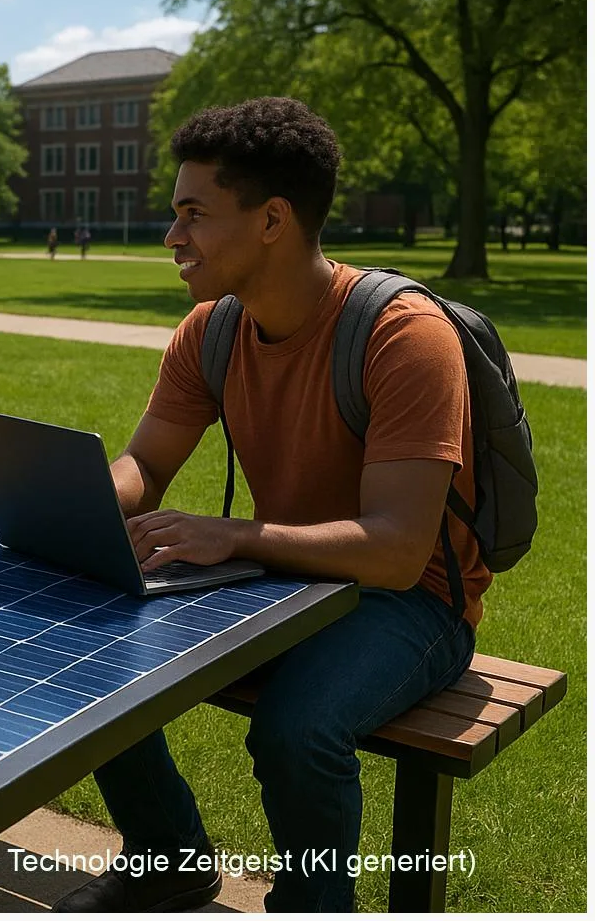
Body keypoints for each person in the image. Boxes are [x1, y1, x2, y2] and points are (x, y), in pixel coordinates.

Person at [53, 97, 481, 913]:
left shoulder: (405, 336)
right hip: (285, 579)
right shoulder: (211, 331)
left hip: (415, 604)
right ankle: (169, 865)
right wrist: (77, 502)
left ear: (273, 220)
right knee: (88, 655)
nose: (172, 236)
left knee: (296, 730)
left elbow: (397, 550)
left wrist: (237, 535)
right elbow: (147, 462)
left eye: (194, 214)